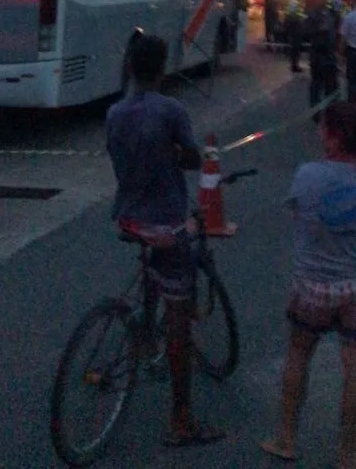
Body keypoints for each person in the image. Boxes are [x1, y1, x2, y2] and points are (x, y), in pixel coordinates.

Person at [261, 100, 356, 469]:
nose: (319, 135)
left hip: (314, 283)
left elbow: (298, 212)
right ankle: (348, 454)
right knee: (355, 364)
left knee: (299, 354)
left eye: (323, 130)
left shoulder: (307, 175)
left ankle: (286, 438)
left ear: (334, 139)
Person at [106, 35, 224, 447]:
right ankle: (181, 418)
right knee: (180, 316)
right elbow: (192, 158)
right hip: (166, 223)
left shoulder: (114, 113)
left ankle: (140, 338)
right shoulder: (172, 109)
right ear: (162, 68)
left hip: (127, 217)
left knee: (153, 272)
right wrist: (177, 155)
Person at [307, 0, 340, 121]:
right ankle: (316, 112)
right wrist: (318, 30)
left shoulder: (330, 13)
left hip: (329, 54)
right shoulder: (313, 14)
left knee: (331, 85)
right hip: (318, 54)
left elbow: (336, 29)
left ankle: (330, 111)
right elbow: (307, 30)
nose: (322, 0)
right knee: (316, 85)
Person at [285, 0, 306, 73]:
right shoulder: (294, 3)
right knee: (295, 48)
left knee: (296, 48)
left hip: (295, 28)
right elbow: (293, 16)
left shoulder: (294, 3)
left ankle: (295, 65)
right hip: (295, 29)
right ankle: (295, 65)